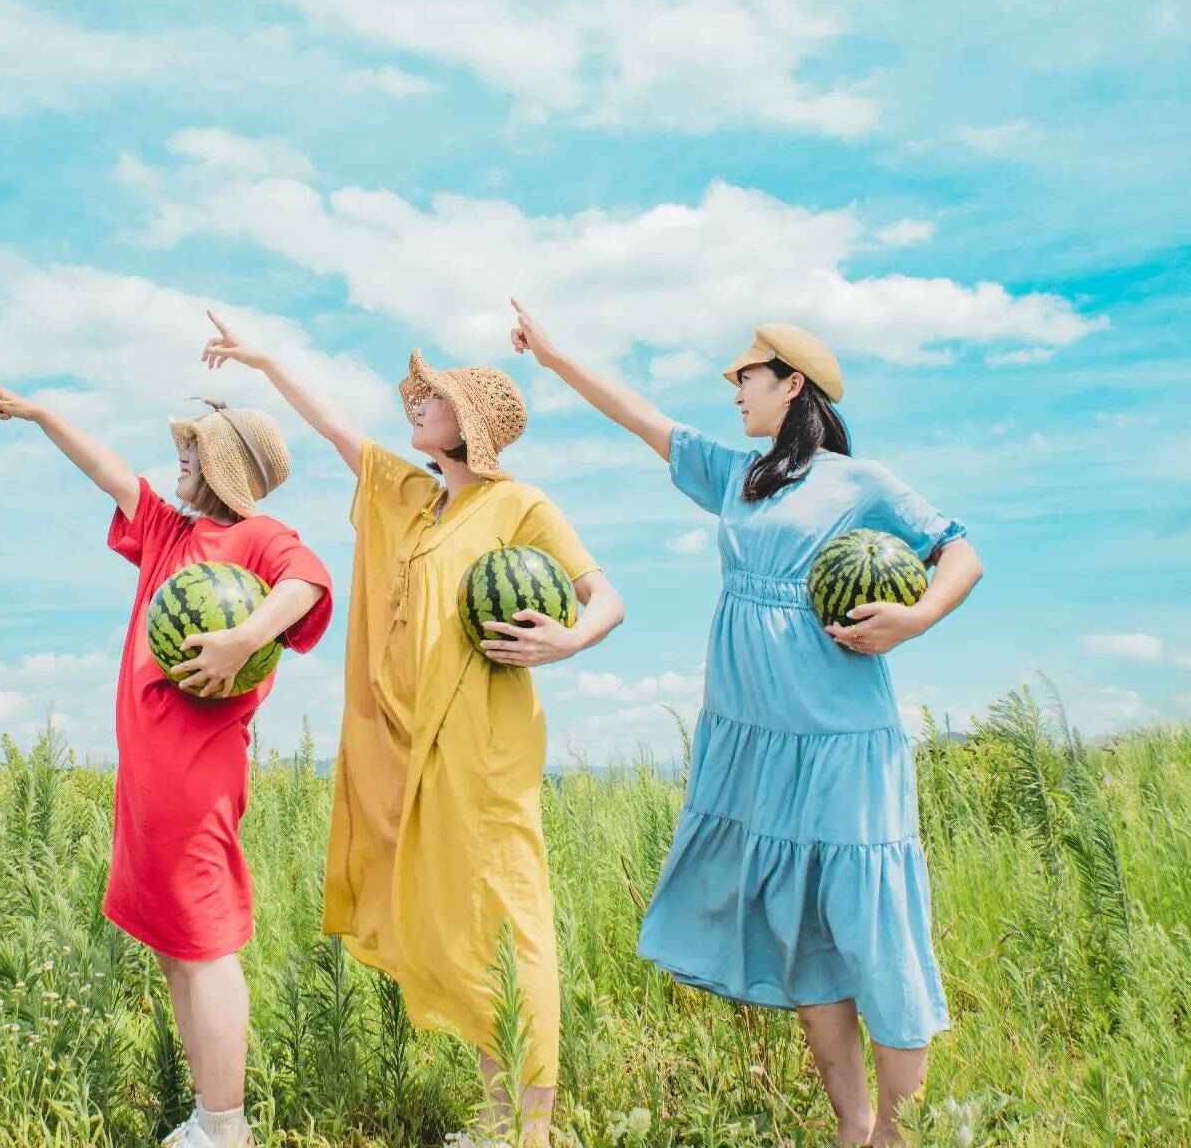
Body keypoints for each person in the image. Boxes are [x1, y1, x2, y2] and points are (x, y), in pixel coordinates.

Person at [506, 306, 983, 1148]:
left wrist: (916, 620)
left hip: (840, 737)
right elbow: (636, 414)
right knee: (803, 938)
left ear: (791, 385)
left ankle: (900, 1135)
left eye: (746, 379)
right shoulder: (739, 473)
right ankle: (852, 1127)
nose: (734, 393)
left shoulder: (860, 480)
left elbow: (960, 552)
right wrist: (551, 355)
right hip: (753, 740)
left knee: (874, 931)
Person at [198, 311, 625, 1146]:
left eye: (436, 399)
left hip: (486, 751)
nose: (418, 405)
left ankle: (526, 1130)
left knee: (511, 926)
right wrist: (266, 362)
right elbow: (335, 429)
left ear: (469, 425)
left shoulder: (519, 505)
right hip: (415, 747)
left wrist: (569, 638)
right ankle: (499, 1118)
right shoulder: (415, 500)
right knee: (465, 926)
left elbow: (602, 596)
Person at [0, 368, 333, 1148]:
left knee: (203, 948)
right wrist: (40, 414)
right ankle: (211, 1117)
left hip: (193, 777)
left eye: (196, 449)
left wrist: (245, 637)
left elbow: (309, 580)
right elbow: (107, 468)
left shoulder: (256, 538)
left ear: (226, 466)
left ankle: (226, 1128)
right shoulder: (172, 533)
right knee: (178, 948)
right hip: (148, 779)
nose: (181, 458)